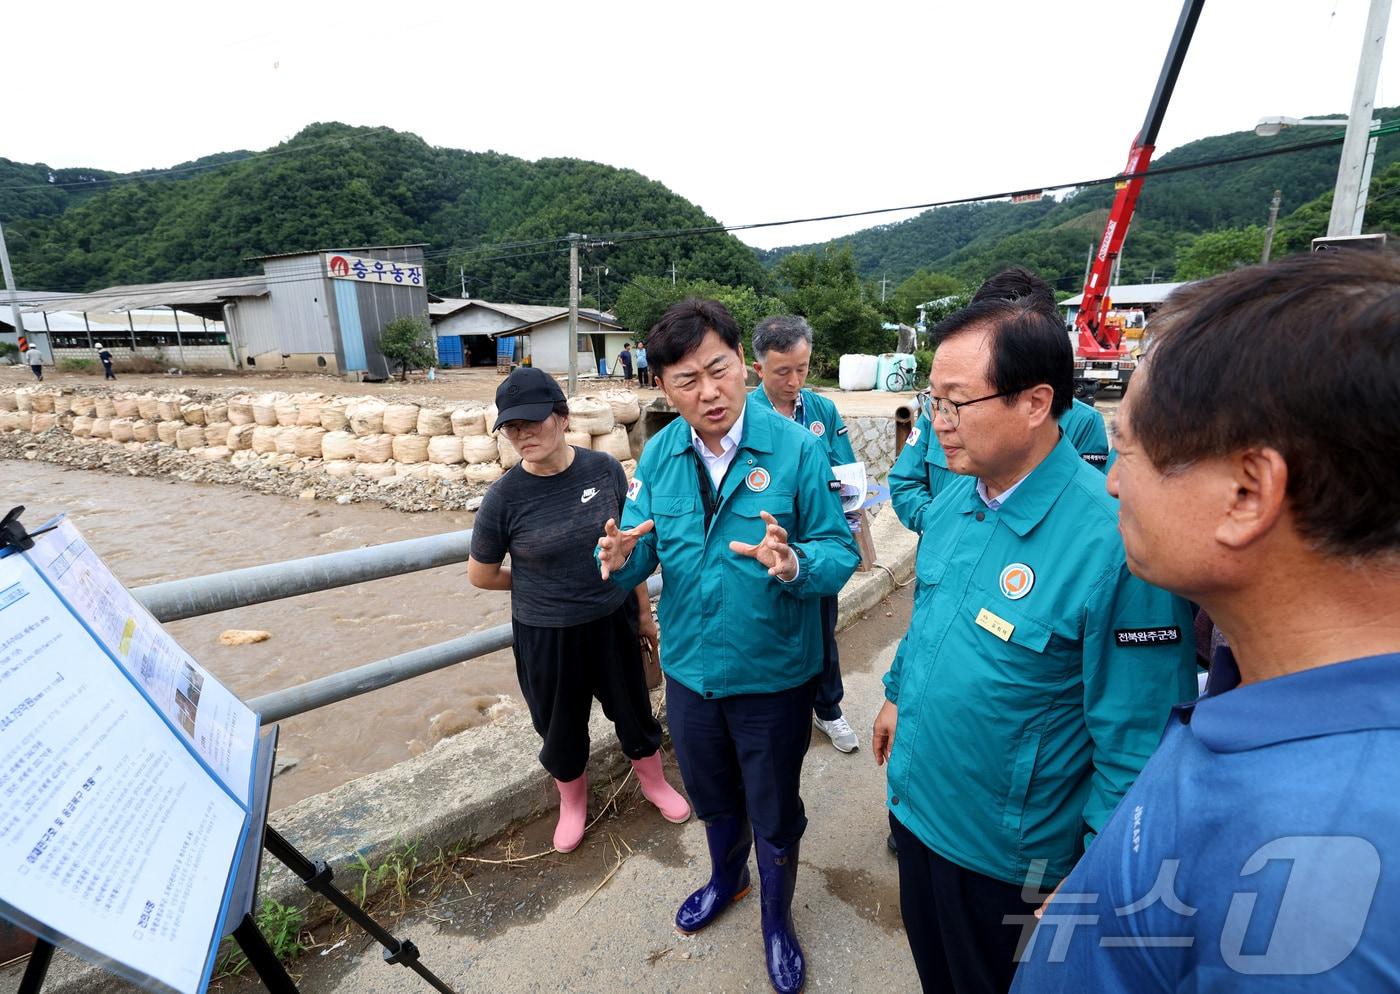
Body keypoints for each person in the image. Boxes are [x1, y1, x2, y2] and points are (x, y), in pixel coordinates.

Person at [1011, 251, 1400, 992]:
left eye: (1128, 449)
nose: (1115, 481)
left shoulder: (1331, 887)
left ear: (1248, 493)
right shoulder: (1263, 688)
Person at [872, 293, 1198, 994]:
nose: (938, 425)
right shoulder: (961, 494)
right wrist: (898, 693)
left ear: (1034, 402)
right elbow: (934, 611)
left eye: (956, 404)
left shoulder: (1113, 544)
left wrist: (1098, 872)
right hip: (918, 812)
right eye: (934, 401)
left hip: (1007, 862)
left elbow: (1138, 740)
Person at [597, 298, 859, 994]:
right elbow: (636, 553)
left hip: (773, 674)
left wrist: (795, 562)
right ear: (663, 387)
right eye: (687, 380)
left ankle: (777, 919)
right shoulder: (660, 453)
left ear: (742, 364)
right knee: (713, 796)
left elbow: (840, 552)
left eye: (717, 370)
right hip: (689, 673)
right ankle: (727, 880)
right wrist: (617, 559)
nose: (708, 392)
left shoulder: (799, 450)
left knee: (773, 806)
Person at [468, 366, 690, 854]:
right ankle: (573, 805)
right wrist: (538, 583)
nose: (522, 434)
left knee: (633, 710)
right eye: (512, 427)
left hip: (612, 620)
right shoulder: (502, 499)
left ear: (562, 418)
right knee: (560, 727)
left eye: (532, 421)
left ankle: (654, 783)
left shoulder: (604, 469)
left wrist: (644, 616)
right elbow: (481, 574)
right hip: (546, 634)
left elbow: (625, 550)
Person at [891, 268, 1108, 536]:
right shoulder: (939, 410)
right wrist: (940, 523)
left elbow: (1082, 516)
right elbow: (905, 481)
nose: (940, 423)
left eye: (957, 401)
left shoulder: (1083, 423)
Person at [747, 314, 860, 754]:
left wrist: (850, 495)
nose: (794, 381)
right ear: (758, 369)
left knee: (821, 628)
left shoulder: (822, 410)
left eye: (803, 368)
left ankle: (828, 708)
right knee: (771, 632)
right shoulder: (744, 416)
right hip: (766, 549)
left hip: (816, 546)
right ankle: (773, 714)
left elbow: (847, 471)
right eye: (782, 372)